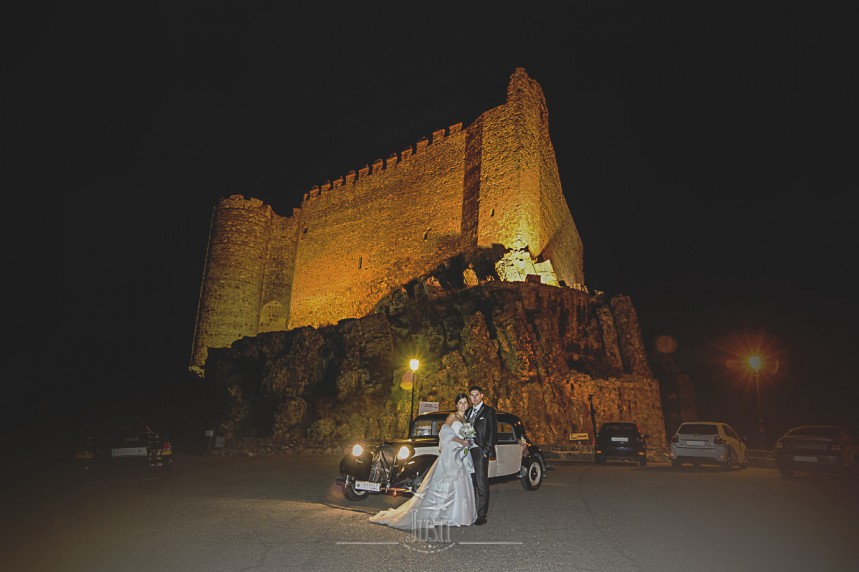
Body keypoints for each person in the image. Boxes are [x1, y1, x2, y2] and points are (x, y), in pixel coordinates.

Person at [369, 394, 477, 530]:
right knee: (446, 483)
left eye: (465, 402)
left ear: (468, 404)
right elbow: (444, 432)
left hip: (460, 453)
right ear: (456, 405)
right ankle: (440, 514)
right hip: (451, 453)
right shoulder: (452, 416)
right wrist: (460, 441)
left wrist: (467, 442)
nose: (463, 405)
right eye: (460, 403)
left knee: (460, 483)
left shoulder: (465, 419)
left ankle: (457, 515)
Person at [466, 385, 497, 526]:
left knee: (481, 483)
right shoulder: (467, 412)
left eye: (476, 395)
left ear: (482, 395)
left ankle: (482, 515)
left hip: (480, 451)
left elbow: (493, 433)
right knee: (470, 483)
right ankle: (471, 512)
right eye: (471, 395)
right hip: (467, 451)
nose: (474, 397)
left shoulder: (489, 411)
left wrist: (485, 451)